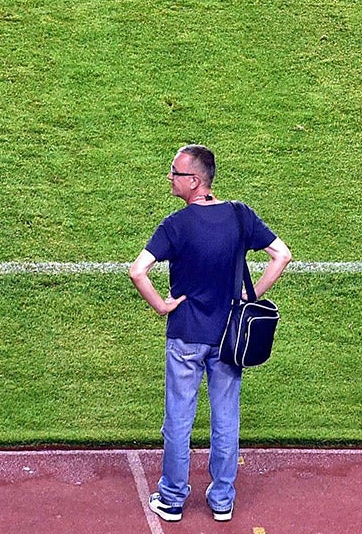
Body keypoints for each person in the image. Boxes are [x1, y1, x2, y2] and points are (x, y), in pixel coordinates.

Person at [130, 143, 291, 523]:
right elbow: (281, 255)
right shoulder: (239, 216)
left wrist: (162, 305)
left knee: (178, 419)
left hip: (186, 334)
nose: (169, 178)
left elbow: (138, 271)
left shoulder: (176, 225)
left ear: (195, 181)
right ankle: (221, 499)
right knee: (225, 419)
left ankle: (171, 498)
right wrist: (250, 294)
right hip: (229, 338)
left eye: (175, 172)